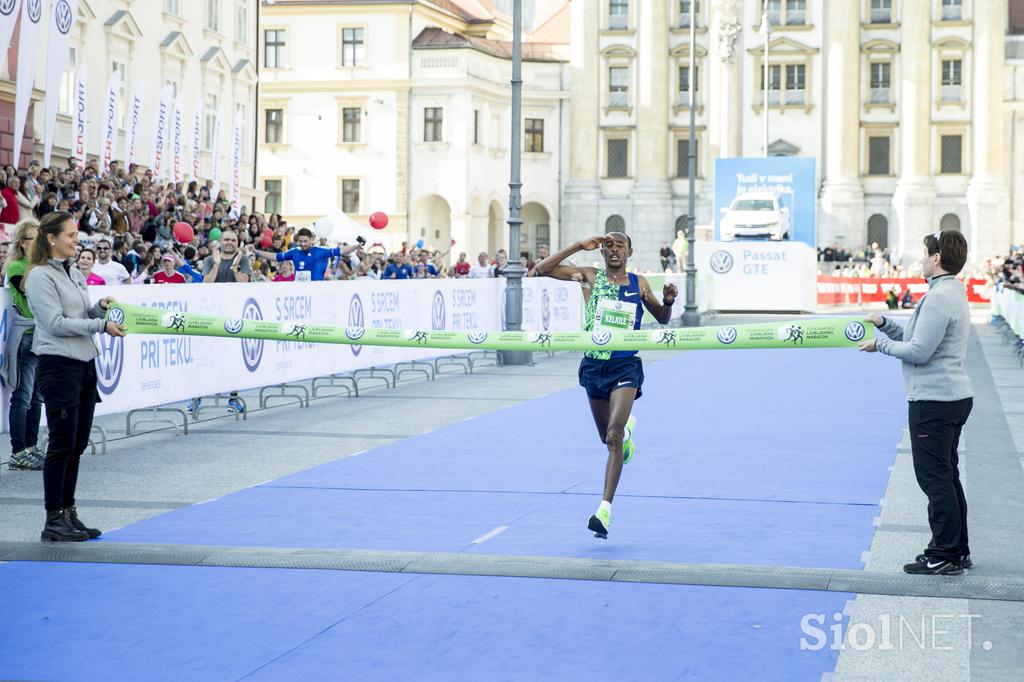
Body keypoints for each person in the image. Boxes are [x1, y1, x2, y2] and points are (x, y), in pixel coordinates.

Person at [535, 232, 677, 539]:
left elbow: (663, 318)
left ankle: (604, 510)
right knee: (607, 437)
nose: (614, 250)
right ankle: (625, 434)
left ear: (630, 251)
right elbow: (541, 270)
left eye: (619, 245)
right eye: (608, 245)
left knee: (611, 437)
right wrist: (577, 246)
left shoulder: (639, 284)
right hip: (594, 366)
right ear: (602, 252)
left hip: (625, 366)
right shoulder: (589, 277)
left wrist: (668, 301)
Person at [859, 230, 973, 576]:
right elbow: (915, 337)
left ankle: (944, 552)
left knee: (935, 480)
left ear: (937, 258)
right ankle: (956, 548)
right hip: (949, 396)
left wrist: (878, 346)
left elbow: (919, 351)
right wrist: (883, 324)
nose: (920, 260)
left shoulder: (939, 298)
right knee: (947, 477)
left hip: (934, 400)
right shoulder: (949, 292)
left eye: (924, 254)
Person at [24, 211, 125, 541]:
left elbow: (79, 313)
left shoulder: (74, 272)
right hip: (58, 366)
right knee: (62, 443)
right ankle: (53, 518)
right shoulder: (40, 277)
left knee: (78, 443)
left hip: (83, 364)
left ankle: (68, 511)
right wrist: (100, 325)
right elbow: (54, 323)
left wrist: (99, 309)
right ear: (51, 239)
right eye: (70, 235)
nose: (76, 240)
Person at [5, 220, 44, 471]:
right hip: (26, 335)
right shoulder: (16, 267)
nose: (38, 243)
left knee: (37, 397)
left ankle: (30, 446)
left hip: (42, 336)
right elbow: (30, 289)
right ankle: (17, 451)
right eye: (33, 239)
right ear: (22, 242)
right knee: (23, 397)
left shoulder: (41, 266)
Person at [253, 227, 360, 282]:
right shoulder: (294, 251)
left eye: (305, 241)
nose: (303, 244)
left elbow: (342, 251)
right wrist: (257, 251)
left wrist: (357, 245)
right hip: (299, 290)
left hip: (316, 290)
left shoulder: (320, 250)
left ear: (311, 240)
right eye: (300, 241)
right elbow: (276, 257)